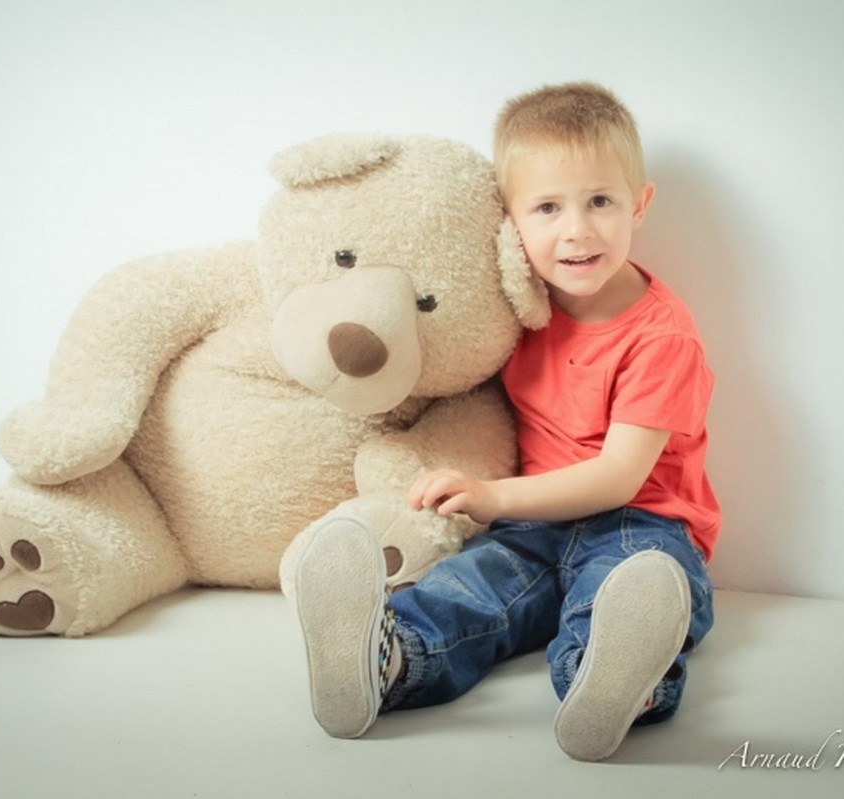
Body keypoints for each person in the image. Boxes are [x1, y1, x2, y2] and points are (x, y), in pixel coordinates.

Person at [291, 82, 719, 761]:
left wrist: (493, 496)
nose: (576, 230)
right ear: (511, 222)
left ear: (639, 203)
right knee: (469, 590)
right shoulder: (516, 310)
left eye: (600, 202)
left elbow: (618, 477)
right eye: (547, 207)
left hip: (640, 522)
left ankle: (616, 680)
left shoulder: (661, 336)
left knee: (623, 590)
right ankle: (385, 658)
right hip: (531, 531)